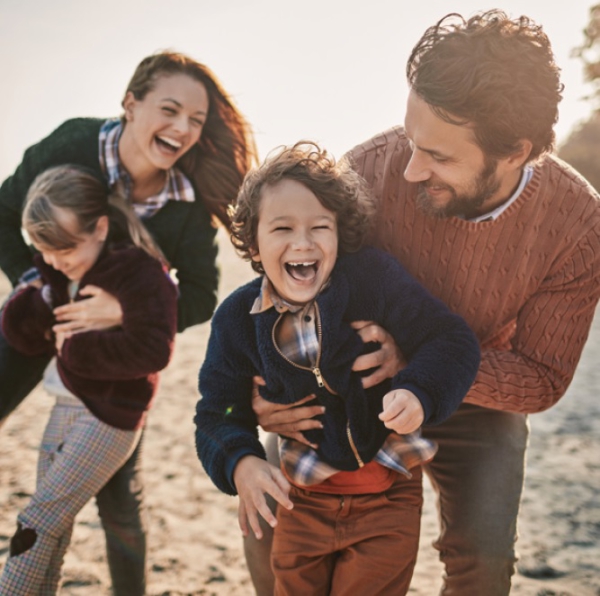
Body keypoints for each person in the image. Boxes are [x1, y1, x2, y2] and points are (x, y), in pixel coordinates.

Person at [247, 10, 600, 596]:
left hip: (480, 391)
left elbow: (542, 378)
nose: (411, 168)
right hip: (350, 381)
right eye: (412, 140)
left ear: (515, 151)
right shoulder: (366, 170)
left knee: (484, 565)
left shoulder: (579, 226)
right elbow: (287, 289)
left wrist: (418, 368)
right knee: (269, 530)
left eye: (437, 155)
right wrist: (263, 394)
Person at [0, 51, 256, 595]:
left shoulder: (186, 205)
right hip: (44, 317)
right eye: (170, 109)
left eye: (196, 120)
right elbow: (5, 210)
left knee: (119, 500)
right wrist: (42, 287)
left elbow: (202, 294)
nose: (183, 129)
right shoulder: (72, 145)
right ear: (130, 104)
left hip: (116, 355)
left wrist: (125, 311)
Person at [194, 142, 481, 595]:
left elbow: (451, 340)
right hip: (301, 500)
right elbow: (216, 412)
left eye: (319, 227)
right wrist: (241, 461)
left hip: (388, 495)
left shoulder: (372, 278)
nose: (303, 242)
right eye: (282, 227)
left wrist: (418, 391)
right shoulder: (236, 318)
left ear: (340, 234)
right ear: (253, 240)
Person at [0, 165, 178, 594]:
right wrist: (35, 302)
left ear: (99, 228)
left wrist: (75, 351)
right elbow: (24, 332)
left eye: (65, 250)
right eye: (44, 251)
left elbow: (154, 349)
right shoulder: (58, 268)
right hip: (65, 405)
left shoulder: (138, 272)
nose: (55, 261)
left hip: (111, 418)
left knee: (37, 520)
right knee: (53, 530)